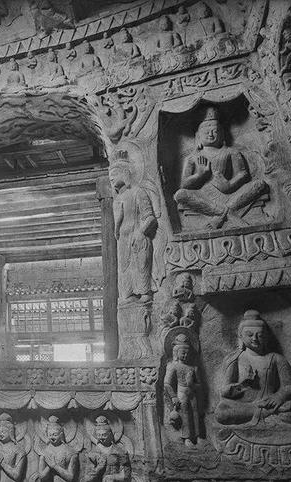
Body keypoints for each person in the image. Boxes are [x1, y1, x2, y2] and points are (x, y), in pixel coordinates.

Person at [214, 310, 291, 426]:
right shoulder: (235, 359)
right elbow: (224, 392)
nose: (255, 339)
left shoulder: (276, 358)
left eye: (260, 335)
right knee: (221, 413)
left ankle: (265, 412)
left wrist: (279, 397)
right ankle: (267, 414)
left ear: (266, 337)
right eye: (249, 335)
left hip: (272, 403)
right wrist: (242, 385)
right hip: (244, 405)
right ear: (241, 336)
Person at [173, 106, 268, 229]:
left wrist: (229, 185)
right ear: (198, 136)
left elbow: (243, 174)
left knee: (259, 185)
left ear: (222, 134)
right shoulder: (192, 158)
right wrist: (199, 176)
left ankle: (219, 216)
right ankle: (227, 213)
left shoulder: (231, 152)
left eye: (215, 131)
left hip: (231, 194)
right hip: (205, 196)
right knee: (180, 194)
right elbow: (185, 184)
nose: (211, 134)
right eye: (206, 132)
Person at [111, 152, 157, 303]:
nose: (111, 177)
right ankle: (128, 294)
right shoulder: (117, 200)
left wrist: (141, 232)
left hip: (138, 237)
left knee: (141, 266)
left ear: (125, 173)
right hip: (123, 241)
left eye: (115, 173)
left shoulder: (138, 192)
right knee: (124, 270)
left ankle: (145, 293)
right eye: (110, 174)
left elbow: (150, 218)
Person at [164, 334, 202, 445]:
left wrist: (191, 384)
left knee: (195, 413)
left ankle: (197, 436)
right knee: (185, 415)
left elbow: (199, 385)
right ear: (176, 353)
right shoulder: (173, 366)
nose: (186, 355)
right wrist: (173, 396)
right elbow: (167, 384)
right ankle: (187, 437)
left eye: (188, 353)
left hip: (192, 393)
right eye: (183, 353)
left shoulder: (193, 368)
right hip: (181, 394)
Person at [85, 416, 131, 482]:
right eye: (99, 435)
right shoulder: (92, 454)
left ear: (110, 434)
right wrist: (99, 468)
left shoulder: (120, 451)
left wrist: (113, 477)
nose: (101, 438)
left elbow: (126, 475)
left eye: (104, 435)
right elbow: (86, 478)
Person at [0, 413, 26, 481]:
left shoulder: (18, 450)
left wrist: (2, 463)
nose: (1, 434)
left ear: (10, 432)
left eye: (3, 431)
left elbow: (17, 476)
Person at [37, 416, 78, 482]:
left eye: (55, 435)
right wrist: (49, 467)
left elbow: (71, 477)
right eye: (50, 435)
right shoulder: (44, 452)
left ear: (61, 435)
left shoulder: (70, 452)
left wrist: (55, 466)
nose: (52, 437)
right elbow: (41, 477)